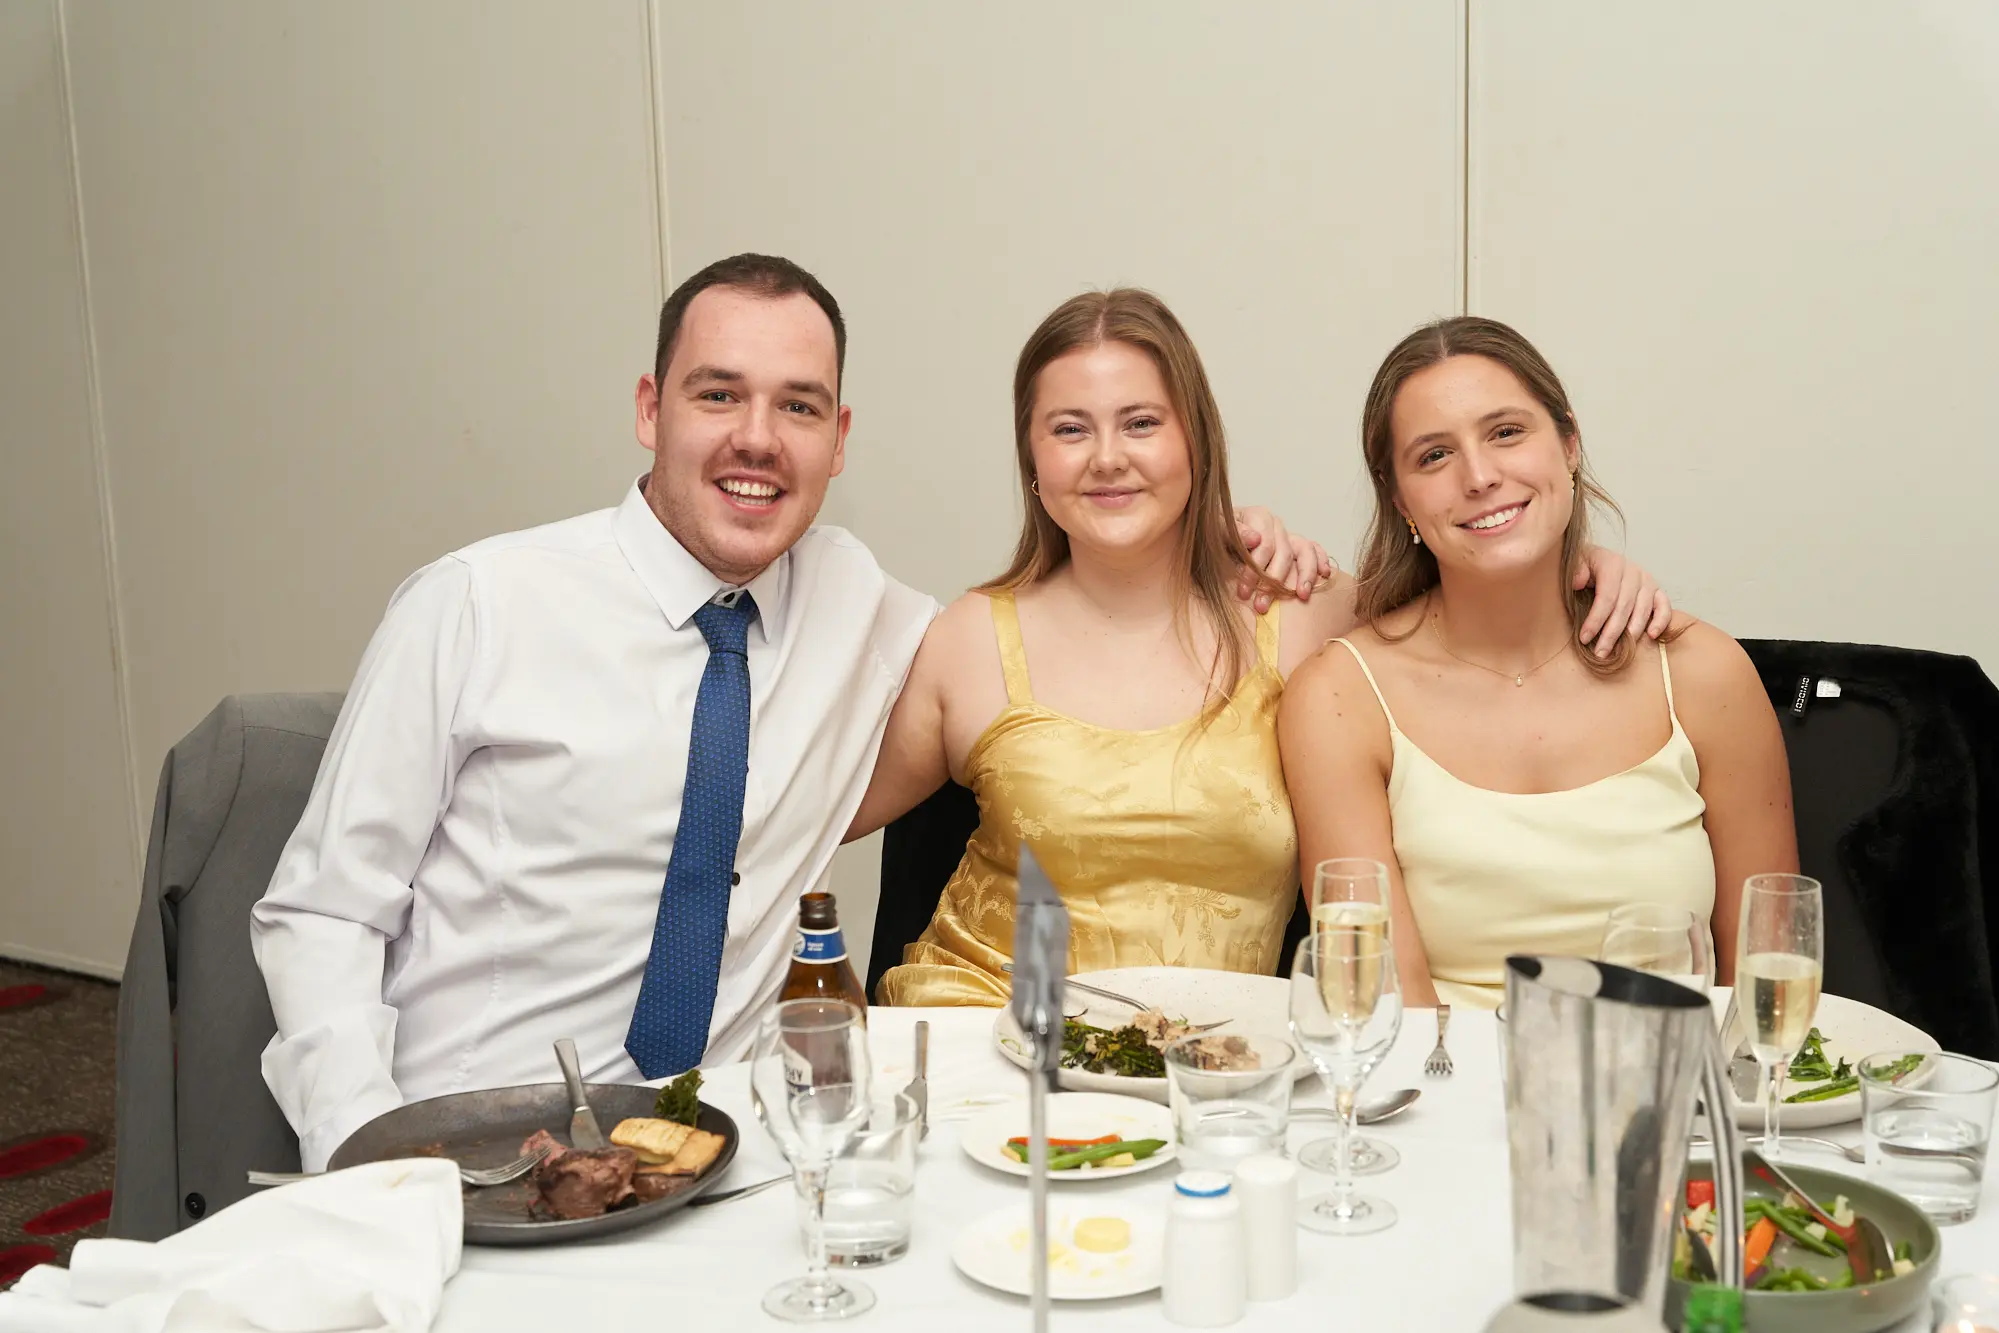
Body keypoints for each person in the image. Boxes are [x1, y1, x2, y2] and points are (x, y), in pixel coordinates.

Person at [251, 255, 1329, 1171]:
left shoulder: (864, 610)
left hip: (726, 1141)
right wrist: (364, 1152)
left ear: (838, 437)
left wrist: (1219, 537)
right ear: (649, 408)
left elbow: (1075, 646)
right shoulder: (478, 604)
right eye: (718, 395)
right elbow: (323, 912)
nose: (757, 438)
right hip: (473, 1140)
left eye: (798, 406)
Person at [854, 291, 1673, 1006]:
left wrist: (1584, 571)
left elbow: (1477, 594)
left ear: (1196, 442)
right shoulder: (968, 639)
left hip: (1211, 1074)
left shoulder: (1304, 611)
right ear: (1032, 459)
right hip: (982, 1046)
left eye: (1141, 423)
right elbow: (805, 816)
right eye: (1070, 429)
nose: (1107, 457)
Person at [1278, 316, 1798, 1009]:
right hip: (1440, 1076)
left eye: (1506, 432)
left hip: (1675, 1074)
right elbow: (1383, 1009)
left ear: (1569, 444)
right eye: (1435, 455)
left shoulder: (1702, 670)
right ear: (1401, 499)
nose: (1480, 476)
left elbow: (1768, 991)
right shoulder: (1340, 697)